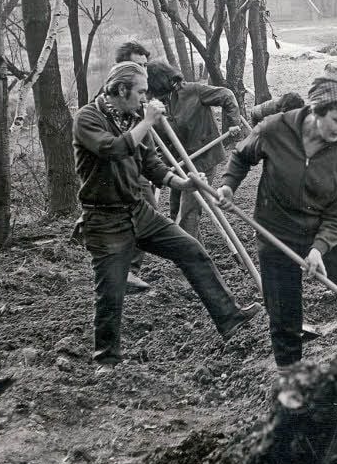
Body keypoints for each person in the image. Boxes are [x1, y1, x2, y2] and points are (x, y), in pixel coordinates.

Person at [72, 62, 260, 368]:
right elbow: (113, 150)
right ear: (121, 90)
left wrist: (182, 182)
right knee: (111, 290)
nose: (147, 98)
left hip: (139, 211)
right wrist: (147, 121)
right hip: (104, 220)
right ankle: (107, 361)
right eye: (142, 92)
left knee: (192, 250)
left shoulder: (132, 117)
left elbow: (151, 163)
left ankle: (231, 321)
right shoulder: (88, 118)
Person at [216, 64, 337, 368]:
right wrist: (227, 186)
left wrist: (319, 248)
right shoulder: (274, 128)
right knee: (283, 313)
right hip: (277, 234)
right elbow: (240, 157)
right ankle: (290, 381)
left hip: (328, 235)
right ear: (316, 110)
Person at [146, 61, 243, 241]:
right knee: (176, 210)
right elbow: (157, 138)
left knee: (188, 213)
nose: (162, 98)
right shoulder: (153, 103)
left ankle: (192, 259)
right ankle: (195, 251)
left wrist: (233, 123)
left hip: (203, 158)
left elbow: (227, 95)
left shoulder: (193, 91)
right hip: (178, 163)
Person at [113, 40, 153, 293]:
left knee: (145, 215)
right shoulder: (113, 98)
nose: (144, 71)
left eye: (145, 65)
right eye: (138, 65)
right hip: (120, 170)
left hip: (138, 167)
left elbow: (147, 148)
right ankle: (125, 272)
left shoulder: (139, 94)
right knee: (143, 215)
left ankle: (127, 271)